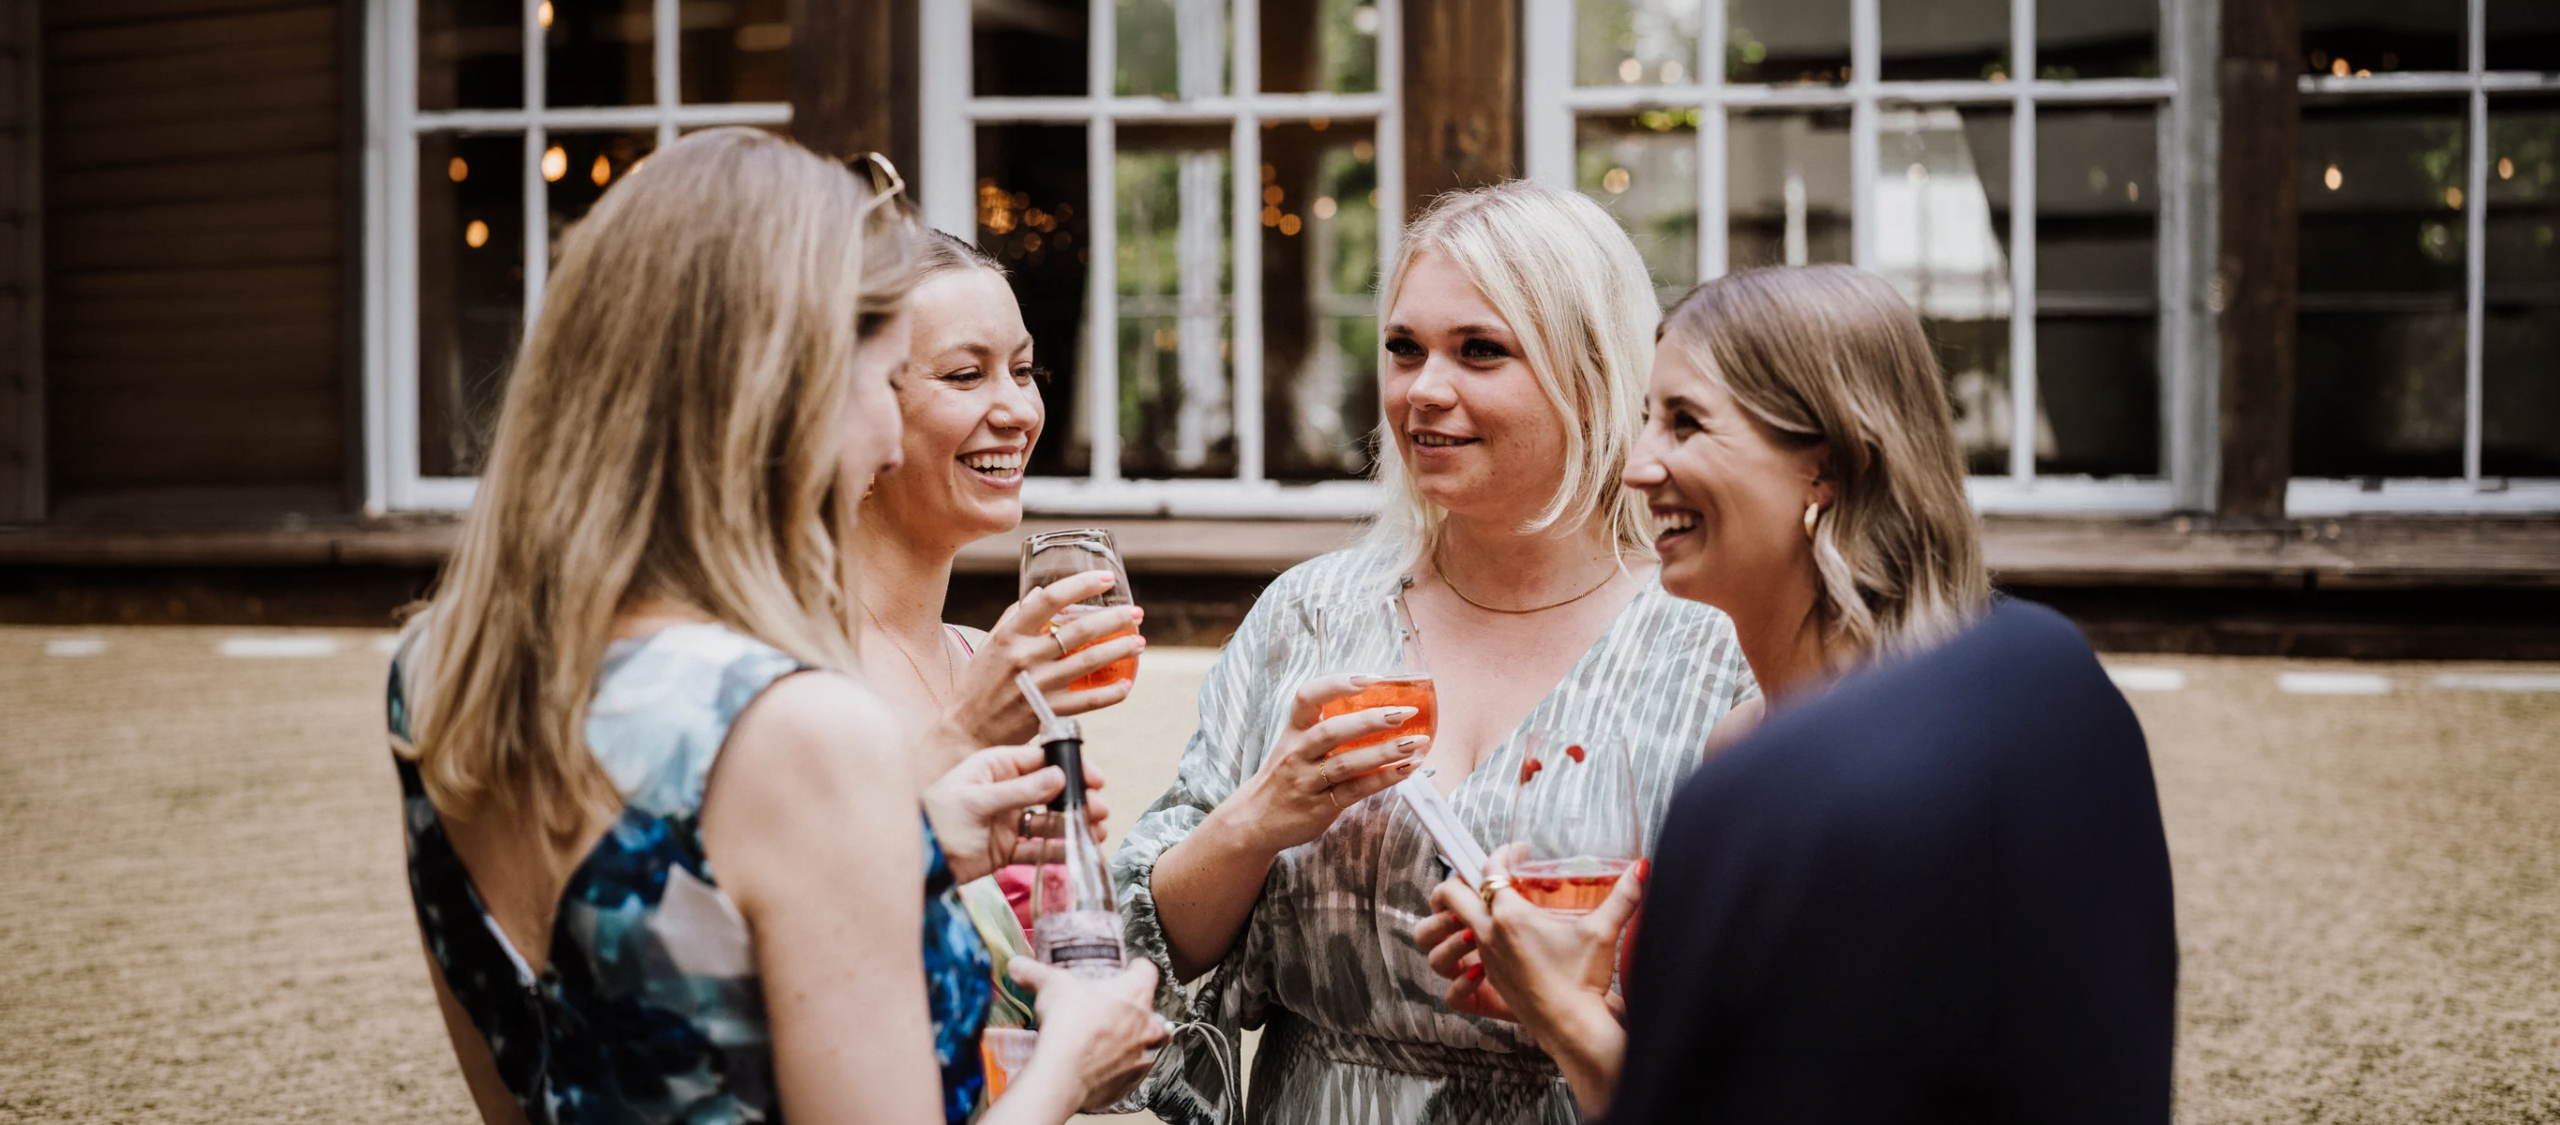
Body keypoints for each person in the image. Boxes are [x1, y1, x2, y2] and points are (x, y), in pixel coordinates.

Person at [385, 129, 1166, 1125]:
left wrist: (914, 838)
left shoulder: (443, 666)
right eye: (888, 383)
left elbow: (595, 1017)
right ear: (778, 391)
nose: (888, 438)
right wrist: (1072, 1063)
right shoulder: (794, 725)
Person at [1414, 264, 2177, 1121]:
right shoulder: (2033, 676)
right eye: (1645, 421)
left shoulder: (1803, 788)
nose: (1637, 467)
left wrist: (1568, 1022)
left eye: (1686, 423)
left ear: (1827, 466)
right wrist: (1611, 1009)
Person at [1113, 181, 1754, 1125]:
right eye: (1404, 349)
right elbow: (1155, 951)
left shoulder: (1711, 641)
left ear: (1595, 373)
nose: (1424, 391)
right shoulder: (1317, 614)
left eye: (1480, 351)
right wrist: (1256, 818)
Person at [852, 231, 1146, 772]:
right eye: (965, 375)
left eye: (1022, 371)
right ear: (855, 410)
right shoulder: (792, 665)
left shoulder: (981, 660)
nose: (1020, 413)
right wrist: (969, 736)